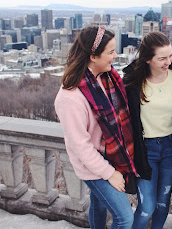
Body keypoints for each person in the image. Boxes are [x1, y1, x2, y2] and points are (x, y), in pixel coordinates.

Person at [55, 26, 137, 229]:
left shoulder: (107, 78)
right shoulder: (70, 98)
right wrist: (109, 173)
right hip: (92, 166)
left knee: (99, 206)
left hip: (110, 155)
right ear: (93, 56)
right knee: (125, 217)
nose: (115, 56)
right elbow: (80, 147)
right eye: (110, 52)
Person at [123, 32, 172, 229]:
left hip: (169, 148)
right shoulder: (132, 83)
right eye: (162, 58)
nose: (169, 61)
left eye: (171, 56)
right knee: (146, 207)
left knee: (163, 204)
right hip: (144, 149)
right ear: (147, 59)